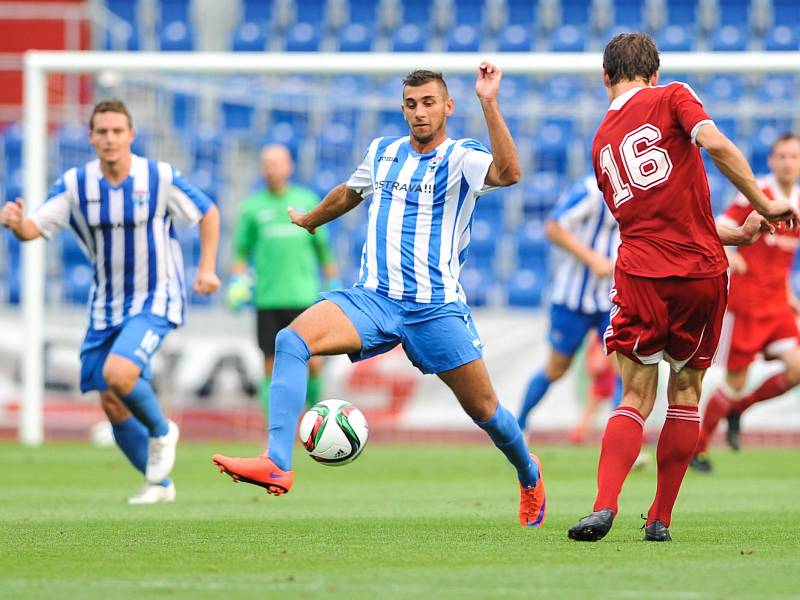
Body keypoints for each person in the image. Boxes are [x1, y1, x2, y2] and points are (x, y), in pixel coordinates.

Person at [213, 64, 548, 527]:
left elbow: (509, 173)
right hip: (374, 298)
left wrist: (489, 101)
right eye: (411, 104)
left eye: (429, 103)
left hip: (435, 308)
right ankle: (277, 461)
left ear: (448, 107)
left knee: (485, 410)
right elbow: (350, 193)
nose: (419, 112)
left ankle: (529, 473)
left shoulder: (463, 156)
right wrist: (311, 220)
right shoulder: (383, 152)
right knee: (291, 341)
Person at [567, 33, 796, 543]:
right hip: (699, 274)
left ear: (607, 78)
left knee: (635, 395)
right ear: (653, 72)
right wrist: (764, 199)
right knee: (686, 393)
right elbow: (714, 144)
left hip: (641, 273)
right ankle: (660, 519)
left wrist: (737, 232)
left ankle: (604, 505)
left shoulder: (601, 140)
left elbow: (657, 221)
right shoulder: (673, 95)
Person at [0, 99, 220, 504]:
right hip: (107, 306)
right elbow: (33, 229)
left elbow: (207, 213)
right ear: (91, 138)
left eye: (118, 131)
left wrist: (206, 269)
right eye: (102, 132)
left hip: (157, 296)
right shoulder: (75, 185)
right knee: (112, 401)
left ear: (131, 136)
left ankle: (162, 430)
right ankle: (159, 485)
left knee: (120, 375)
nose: (110, 139)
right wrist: (16, 224)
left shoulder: (158, 177)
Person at [692, 133, 800, 472]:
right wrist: (729, 252)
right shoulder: (757, 194)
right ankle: (699, 448)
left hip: (777, 305)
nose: (787, 162)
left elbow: (781, 260)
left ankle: (739, 409)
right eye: (781, 156)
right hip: (747, 304)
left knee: (797, 368)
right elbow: (718, 226)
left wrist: (790, 297)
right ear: (770, 161)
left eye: (794, 157)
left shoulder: (797, 200)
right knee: (735, 379)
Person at [227, 144, 338, 417]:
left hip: (303, 297)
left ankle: (315, 420)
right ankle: (276, 428)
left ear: (290, 166)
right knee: (270, 364)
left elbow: (323, 249)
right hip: (268, 299)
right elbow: (242, 251)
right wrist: (237, 282)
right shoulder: (253, 207)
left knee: (312, 362)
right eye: (266, 163)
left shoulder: (306, 199)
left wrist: (333, 283)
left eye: (277, 163)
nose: (271, 168)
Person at [517, 174, 622, 433]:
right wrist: (592, 259)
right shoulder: (590, 190)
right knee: (556, 368)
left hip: (611, 299)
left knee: (625, 370)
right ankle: (517, 427)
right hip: (572, 298)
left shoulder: (641, 192)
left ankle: (624, 441)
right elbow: (553, 227)